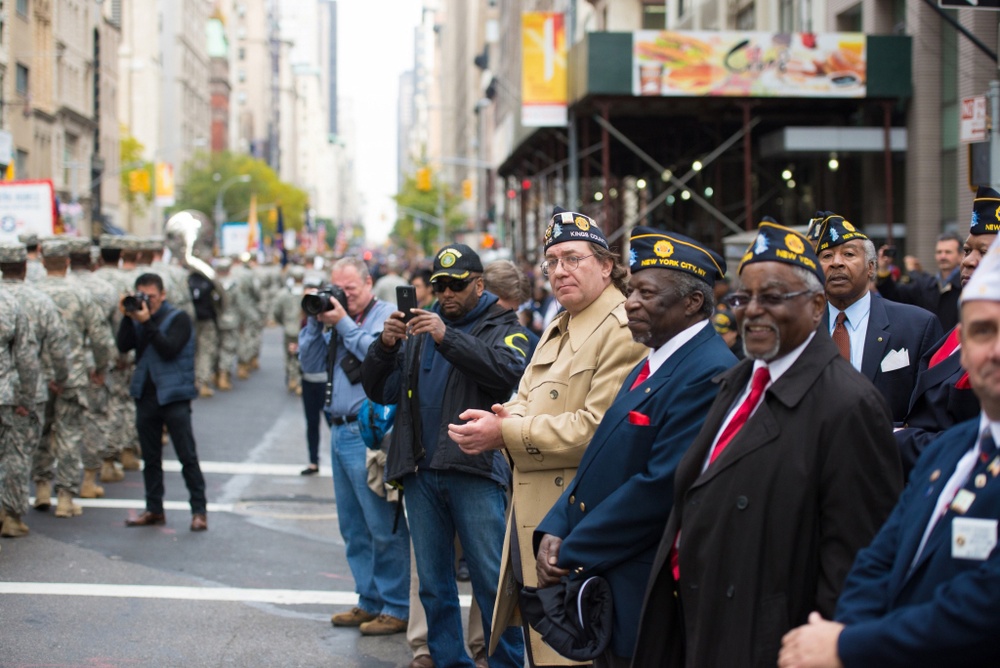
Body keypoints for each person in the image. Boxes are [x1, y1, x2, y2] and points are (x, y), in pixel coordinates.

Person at [631, 219, 904, 668]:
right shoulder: (737, 381)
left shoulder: (849, 405)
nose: (752, 310)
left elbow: (857, 563)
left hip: (774, 643)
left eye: (774, 297)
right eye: (743, 297)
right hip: (702, 625)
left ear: (817, 307)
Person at [778, 234, 1000, 668]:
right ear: (963, 351)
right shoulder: (950, 450)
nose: (994, 351)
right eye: (981, 332)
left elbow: (984, 603)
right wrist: (848, 631)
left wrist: (849, 646)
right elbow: (881, 556)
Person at [449, 206, 647, 666]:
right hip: (536, 515)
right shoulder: (561, 322)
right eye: (552, 261)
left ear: (606, 265)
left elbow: (597, 430)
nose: (560, 270)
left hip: (577, 521)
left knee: (572, 650)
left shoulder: (621, 329)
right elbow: (526, 394)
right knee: (544, 649)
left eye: (573, 258)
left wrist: (506, 432)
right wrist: (502, 415)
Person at [533, 228, 737, 667]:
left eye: (647, 293)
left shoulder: (709, 372)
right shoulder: (653, 360)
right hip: (613, 573)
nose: (630, 303)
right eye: (632, 291)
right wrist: (557, 522)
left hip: (647, 585)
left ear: (692, 303)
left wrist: (571, 546)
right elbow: (602, 456)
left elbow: (661, 486)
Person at [362, 243, 528, 667]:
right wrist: (384, 345)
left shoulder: (504, 324)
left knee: (492, 582)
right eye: (440, 285)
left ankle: (506, 663)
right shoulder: (420, 329)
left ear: (478, 284)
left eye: (456, 285)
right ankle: (448, 660)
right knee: (434, 585)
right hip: (421, 470)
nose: (447, 293)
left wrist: (444, 335)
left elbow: (508, 373)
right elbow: (379, 390)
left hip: (473, 470)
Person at [298, 256, 410, 636]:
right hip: (338, 429)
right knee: (353, 526)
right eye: (337, 290)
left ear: (367, 283)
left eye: (350, 290)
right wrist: (316, 323)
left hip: (371, 434)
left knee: (382, 524)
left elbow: (378, 352)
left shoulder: (386, 315)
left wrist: (342, 322)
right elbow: (308, 363)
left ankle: (396, 606)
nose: (342, 297)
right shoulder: (332, 320)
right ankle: (369, 600)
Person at [892, 187, 999, 477]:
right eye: (967, 250)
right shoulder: (956, 333)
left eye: (984, 252)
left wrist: (900, 440)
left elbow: (981, 442)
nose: (967, 261)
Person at [813, 214, 942, 422]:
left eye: (848, 254)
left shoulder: (917, 327)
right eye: (827, 256)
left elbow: (932, 418)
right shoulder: (800, 330)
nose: (836, 263)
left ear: (871, 267)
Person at [116, 273, 208, 532]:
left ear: (163, 295)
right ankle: (154, 508)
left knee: (186, 455)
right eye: (142, 295)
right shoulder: (137, 317)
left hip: (174, 395)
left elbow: (169, 349)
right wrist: (127, 314)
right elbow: (122, 345)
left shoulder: (179, 318)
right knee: (151, 457)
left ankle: (199, 510)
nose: (147, 302)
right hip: (146, 395)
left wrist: (147, 323)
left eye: (152, 297)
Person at [31, 238, 114, 518]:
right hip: (74, 375)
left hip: (38, 376)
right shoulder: (81, 294)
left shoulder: (32, 293)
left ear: (43, 263)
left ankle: (41, 487)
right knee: (69, 434)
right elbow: (101, 339)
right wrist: (101, 368)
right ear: (67, 263)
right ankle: (65, 497)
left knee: (41, 431)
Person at [0, 256, 43, 539]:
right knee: (12, 456)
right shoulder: (9, 303)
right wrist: (27, 398)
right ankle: (12, 517)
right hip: (4, 394)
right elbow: (26, 359)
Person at [876, 232, 963, 331]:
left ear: (961, 256)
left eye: (948, 252)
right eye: (939, 252)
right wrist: (883, 269)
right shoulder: (925, 286)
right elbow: (895, 294)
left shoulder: (967, 286)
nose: (942, 256)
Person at [484, 259, 539, 360]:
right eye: (499, 311)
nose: (508, 318)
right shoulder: (463, 331)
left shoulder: (530, 341)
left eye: (513, 312)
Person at [272, 265, 306, 395]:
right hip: (303, 329)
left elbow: (276, 311)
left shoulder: (284, 293)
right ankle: (298, 380)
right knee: (301, 354)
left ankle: (292, 378)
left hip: (289, 329)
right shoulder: (308, 293)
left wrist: (283, 322)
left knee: (289, 354)